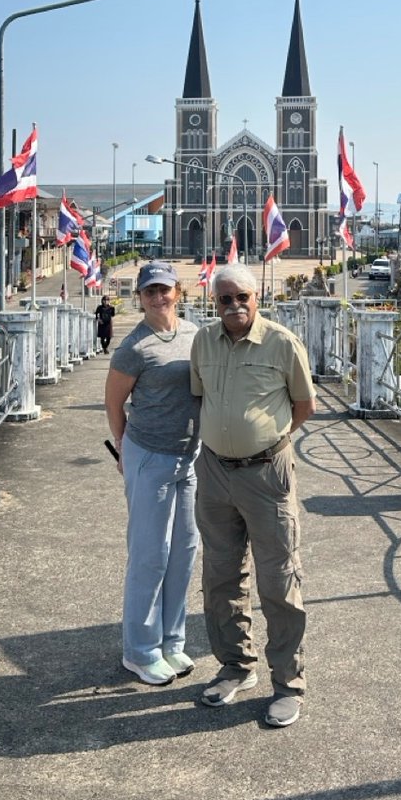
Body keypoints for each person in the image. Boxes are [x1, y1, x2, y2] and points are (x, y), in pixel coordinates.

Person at [190, 262, 315, 728]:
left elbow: (305, 405)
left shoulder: (282, 342)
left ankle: (288, 683)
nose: (235, 305)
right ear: (214, 302)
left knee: (278, 580)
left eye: (242, 296)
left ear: (256, 297)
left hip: (266, 475)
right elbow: (201, 395)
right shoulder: (203, 341)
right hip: (215, 473)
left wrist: (266, 441)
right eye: (225, 299)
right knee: (220, 577)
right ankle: (235, 666)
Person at [105, 261, 202, 686]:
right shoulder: (134, 347)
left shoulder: (194, 335)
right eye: (150, 292)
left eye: (164, 290)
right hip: (150, 457)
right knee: (150, 555)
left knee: (184, 551)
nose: (158, 298)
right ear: (140, 298)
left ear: (177, 292)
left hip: (188, 458)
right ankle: (140, 651)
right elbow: (113, 404)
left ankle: (172, 642)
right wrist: (126, 449)